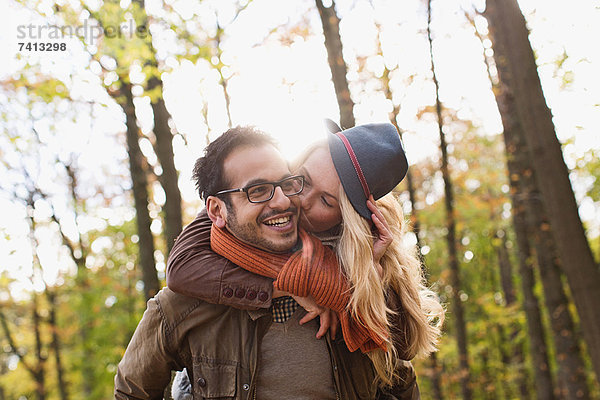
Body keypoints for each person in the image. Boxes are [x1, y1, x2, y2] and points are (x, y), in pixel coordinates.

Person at [114, 126, 422, 400]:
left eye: (327, 201)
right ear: (217, 211)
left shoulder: (354, 283)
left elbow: (400, 370)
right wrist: (281, 284)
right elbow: (132, 391)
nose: (289, 201)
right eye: (258, 191)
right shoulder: (187, 298)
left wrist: (366, 280)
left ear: (348, 216)